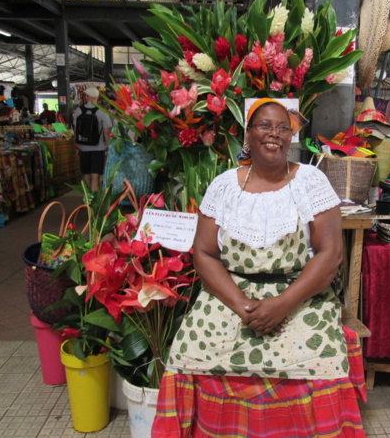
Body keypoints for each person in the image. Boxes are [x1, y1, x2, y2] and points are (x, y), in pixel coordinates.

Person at [152, 98, 367, 438]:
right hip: (233, 295)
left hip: (300, 294)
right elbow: (205, 254)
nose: (274, 134)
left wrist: (282, 305)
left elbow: (330, 256)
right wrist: (242, 306)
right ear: (247, 135)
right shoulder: (224, 186)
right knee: (192, 353)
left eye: (283, 128)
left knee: (318, 362)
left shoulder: (310, 181)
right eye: (265, 126)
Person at [73, 87, 112, 191]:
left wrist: (76, 147)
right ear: (97, 97)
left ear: (87, 97)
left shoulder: (78, 110)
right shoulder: (102, 111)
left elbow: (76, 130)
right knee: (95, 176)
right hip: (98, 148)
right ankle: (94, 204)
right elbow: (106, 132)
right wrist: (107, 146)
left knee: (86, 174)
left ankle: (87, 200)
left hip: (83, 147)